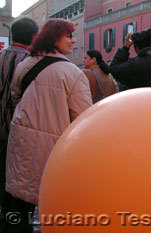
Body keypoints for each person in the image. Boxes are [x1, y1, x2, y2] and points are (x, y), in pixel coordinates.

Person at [2, 19, 92, 233]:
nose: (73, 40)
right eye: (69, 36)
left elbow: (16, 100)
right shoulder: (73, 73)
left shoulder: (26, 65)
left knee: (18, 208)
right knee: (53, 207)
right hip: (55, 150)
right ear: (54, 38)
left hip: (22, 146)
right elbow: (83, 120)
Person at [0, 17, 38, 211]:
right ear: (34, 37)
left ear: (12, 35)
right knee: (16, 183)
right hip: (21, 135)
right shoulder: (33, 64)